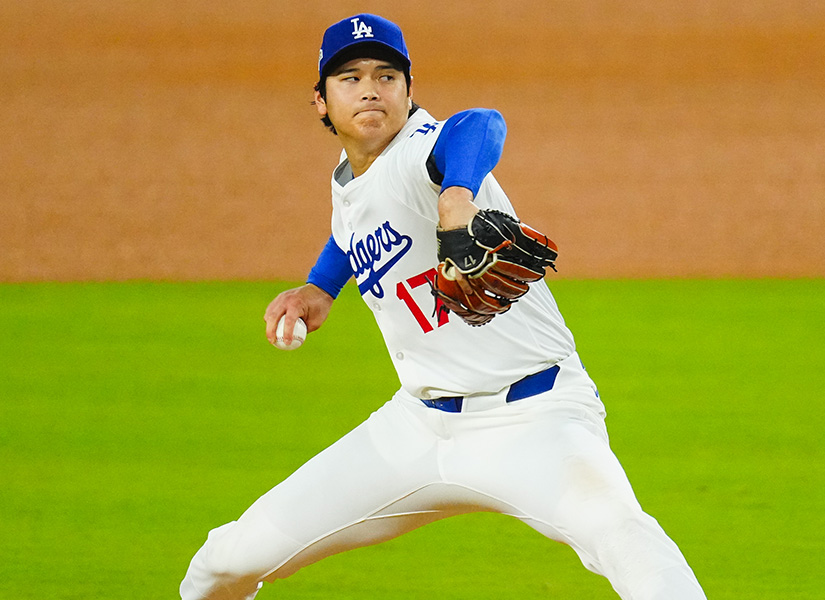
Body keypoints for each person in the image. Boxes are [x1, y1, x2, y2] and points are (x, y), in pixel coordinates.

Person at [179, 13, 706, 600]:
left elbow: (480, 123)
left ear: (410, 91)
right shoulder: (354, 176)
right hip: (418, 426)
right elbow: (358, 221)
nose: (371, 88)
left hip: (535, 420)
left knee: (626, 537)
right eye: (349, 78)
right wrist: (321, 286)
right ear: (321, 104)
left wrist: (456, 200)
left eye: (387, 75)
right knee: (226, 560)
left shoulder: (421, 151)